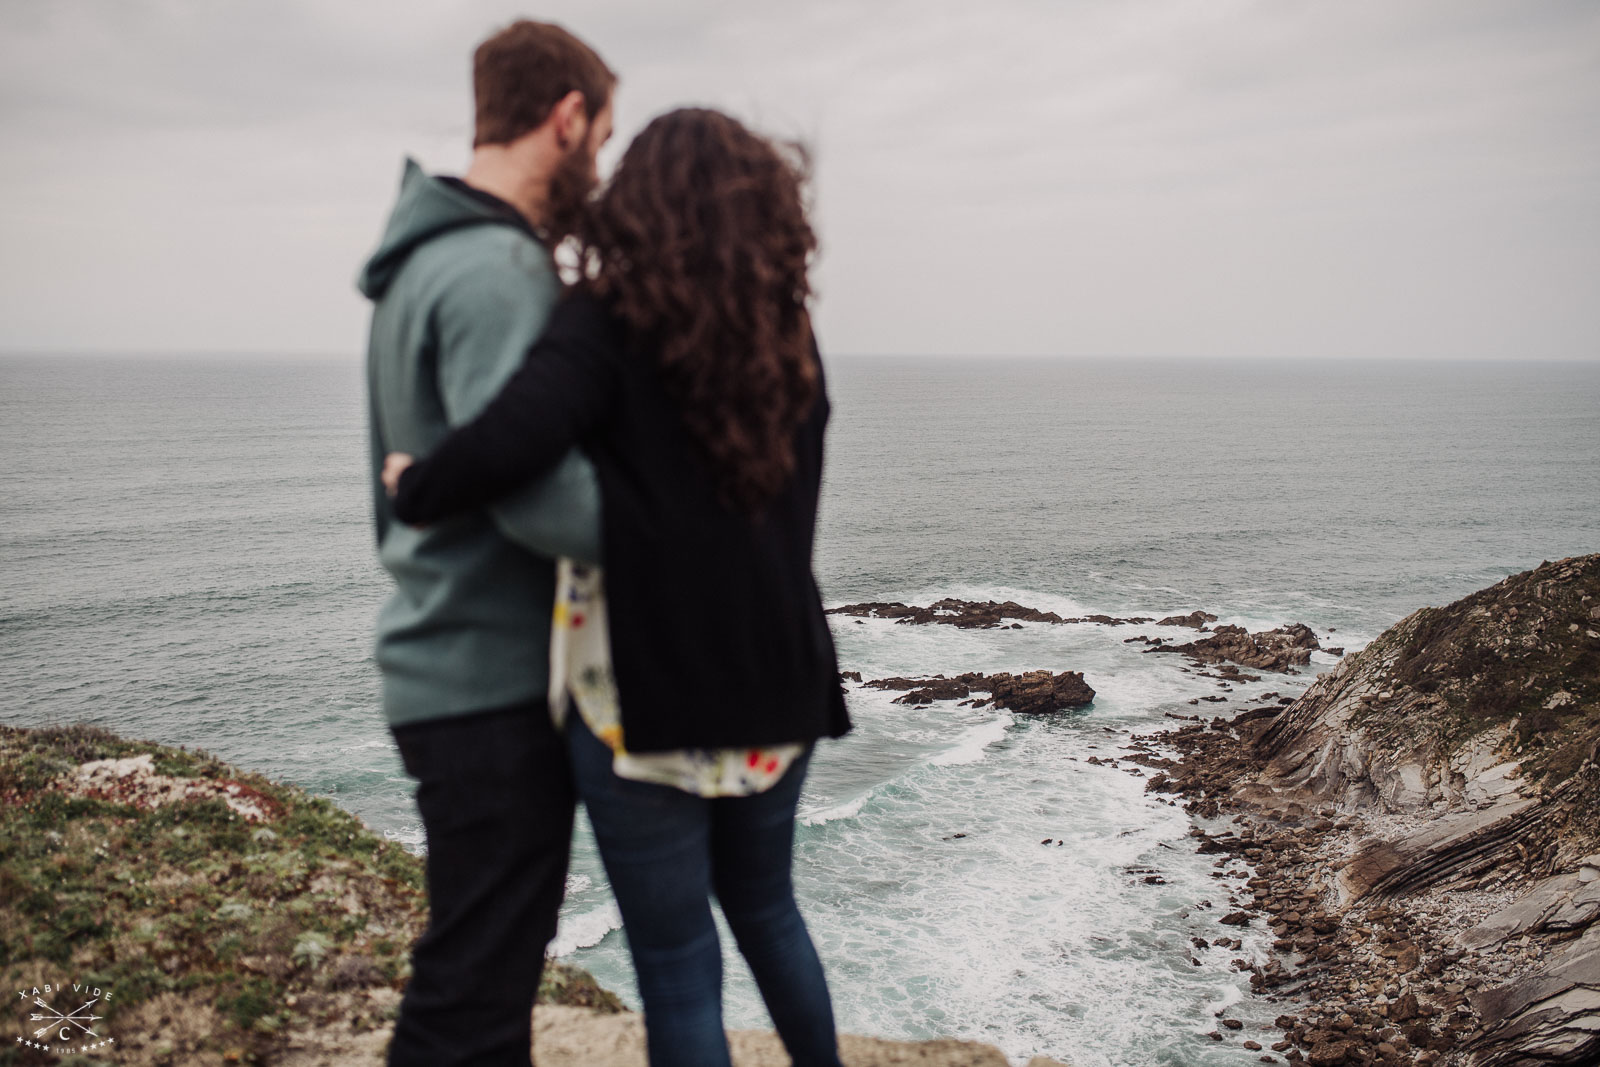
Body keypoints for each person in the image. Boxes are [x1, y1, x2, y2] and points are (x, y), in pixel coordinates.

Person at [381, 108, 853, 1067]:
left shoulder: (610, 321)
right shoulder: (788, 330)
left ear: (635, 206)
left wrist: (415, 483)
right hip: (781, 679)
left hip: (644, 693)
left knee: (678, 965)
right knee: (769, 911)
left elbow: (511, 439)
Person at [355, 20, 615, 1067]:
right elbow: (543, 499)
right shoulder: (494, 267)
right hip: (486, 678)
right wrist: (687, 526)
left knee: (485, 976)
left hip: (446, 662)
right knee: (471, 991)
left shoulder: (423, 258)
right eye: (602, 133)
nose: (599, 159)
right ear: (566, 118)